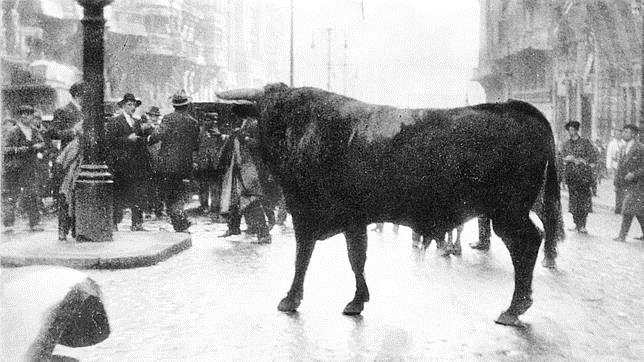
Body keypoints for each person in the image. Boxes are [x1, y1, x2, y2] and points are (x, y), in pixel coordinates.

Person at [147, 90, 199, 232]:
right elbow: (196, 145)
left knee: (169, 194)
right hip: (185, 164)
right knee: (179, 193)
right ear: (187, 105)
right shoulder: (193, 122)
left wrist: (149, 139)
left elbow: (158, 134)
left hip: (167, 164)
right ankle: (180, 220)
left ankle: (179, 221)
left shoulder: (168, 119)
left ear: (174, 105)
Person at [105, 93, 153, 231]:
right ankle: (113, 223)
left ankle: (137, 223)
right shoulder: (115, 121)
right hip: (121, 164)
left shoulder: (137, 122)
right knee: (119, 194)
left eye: (134, 105)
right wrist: (127, 139)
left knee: (137, 193)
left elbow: (141, 141)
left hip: (135, 164)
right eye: (129, 105)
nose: (132, 107)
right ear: (123, 106)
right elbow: (110, 141)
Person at [2, 105, 46, 232]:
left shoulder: (34, 131)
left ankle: (35, 223)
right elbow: (4, 149)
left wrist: (38, 146)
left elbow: (42, 144)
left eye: (27, 113)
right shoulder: (13, 131)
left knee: (31, 194)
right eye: (22, 113)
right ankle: (9, 225)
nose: (24, 116)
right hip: (14, 168)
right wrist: (18, 150)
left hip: (29, 167)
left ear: (32, 116)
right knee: (11, 195)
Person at [561, 121, 597, 233]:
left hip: (583, 176)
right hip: (571, 176)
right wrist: (567, 159)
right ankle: (576, 224)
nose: (571, 132)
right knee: (573, 201)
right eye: (569, 130)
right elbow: (561, 157)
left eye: (573, 130)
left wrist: (581, 161)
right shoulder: (566, 144)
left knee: (583, 201)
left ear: (577, 130)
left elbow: (593, 158)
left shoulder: (585, 143)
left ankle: (583, 225)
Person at [613, 124, 644, 242]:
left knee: (628, 209)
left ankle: (622, 236)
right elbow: (620, 167)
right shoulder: (623, 148)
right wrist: (616, 182)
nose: (624, 134)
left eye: (627, 132)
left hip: (638, 184)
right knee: (639, 212)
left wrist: (634, 174)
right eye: (623, 131)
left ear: (634, 135)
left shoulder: (640, 148)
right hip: (625, 184)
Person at [144, 106, 165, 218]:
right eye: (152, 116)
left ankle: (159, 210)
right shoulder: (146, 129)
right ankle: (148, 209)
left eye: (156, 116)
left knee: (160, 186)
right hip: (148, 159)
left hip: (160, 160)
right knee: (149, 186)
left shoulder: (161, 129)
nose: (154, 118)